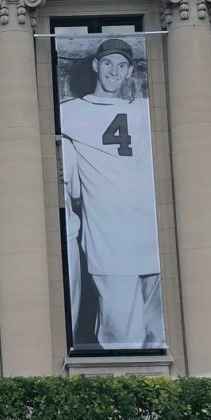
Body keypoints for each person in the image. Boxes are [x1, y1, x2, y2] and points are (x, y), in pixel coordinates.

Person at [57, 38, 165, 350]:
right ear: (96, 65)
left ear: (130, 71)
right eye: (107, 63)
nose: (113, 71)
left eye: (121, 65)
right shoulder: (70, 111)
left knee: (160, 333)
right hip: (110, 240)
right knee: (121, 336)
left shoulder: (146, 109)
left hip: (152, 235)